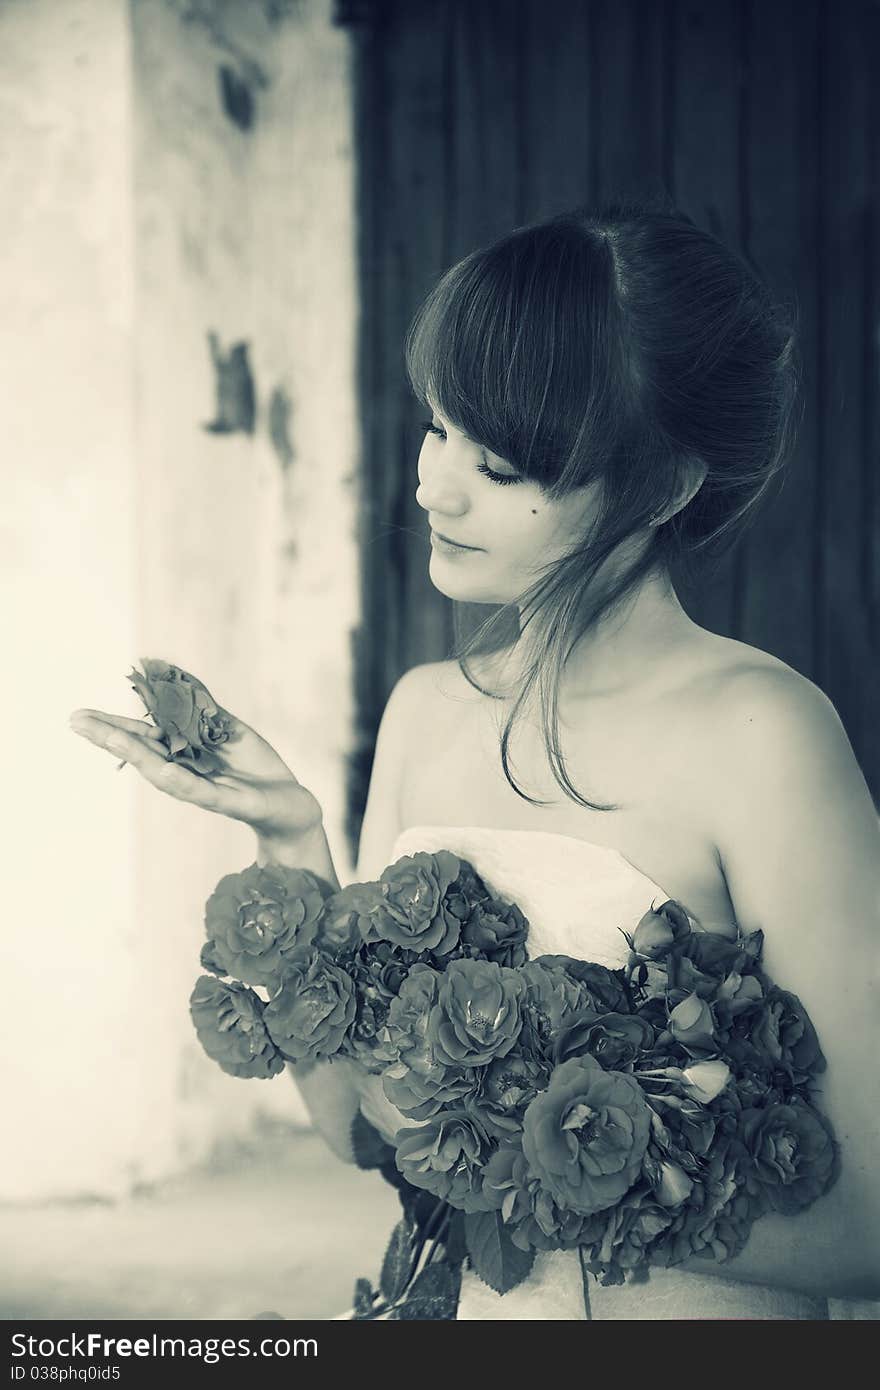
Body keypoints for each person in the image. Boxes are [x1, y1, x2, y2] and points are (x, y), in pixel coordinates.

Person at [70, 202, 879, 1318]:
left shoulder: (766, 736)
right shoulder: (423, 714)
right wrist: (291, 841)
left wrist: (544, 1167)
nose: (432, 486)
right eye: (437, 427)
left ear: (664, 486)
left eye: (495, 465)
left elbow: (867, 1228)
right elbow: (359, 1130)